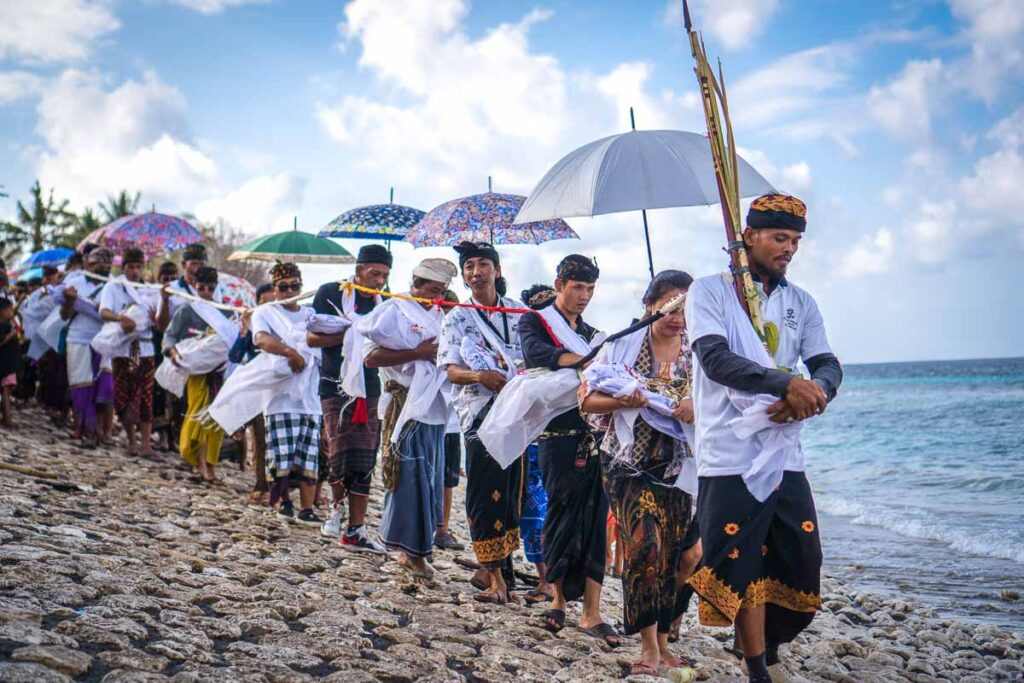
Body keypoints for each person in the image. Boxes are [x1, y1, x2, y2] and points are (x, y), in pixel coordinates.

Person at [684, 194, 843, 683]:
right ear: (748, 236)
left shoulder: (801, 302)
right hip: (728, 453)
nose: (789, 248)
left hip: (783, 452)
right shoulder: (709, 293)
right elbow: (716, 361)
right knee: (742, 565)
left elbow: (826, 364)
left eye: (795, 240)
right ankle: (758, 667)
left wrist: (815, 394)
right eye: (779, 237)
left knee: (800, 559)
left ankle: (767, 646)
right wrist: (783, 384)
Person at [581, 270, 698, 677]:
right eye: (668, 306)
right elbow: (587, 402)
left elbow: (725, 404)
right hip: (628, 465)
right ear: (650, 306)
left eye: (684, 307)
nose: (677, 315)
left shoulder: (698, 352)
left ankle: (665, 644)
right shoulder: (621, 348)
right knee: (645, 548)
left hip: (680, 468)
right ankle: (649, 650)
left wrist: (695, 407)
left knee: (676, 557)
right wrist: (621, 401)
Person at [517, 257, 618, 645]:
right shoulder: (537, 321)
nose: (584, 296)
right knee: (560, 512)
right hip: (557, 436)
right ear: (560, 284)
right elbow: (537, 355)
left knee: (596, 518)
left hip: (595, 434)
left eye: (590, 289)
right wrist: (587, 363)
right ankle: (557, 601)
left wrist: (593, 363)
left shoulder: (593, 333)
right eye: (578, 287)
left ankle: (592, 612)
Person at [437, 241, 525, 604]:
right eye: (469, 266)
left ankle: (499, 571)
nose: (476, 272)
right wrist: (479, 376)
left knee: (511, 497)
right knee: (484, 495)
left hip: (517, 414)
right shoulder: (456, 316)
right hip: (479, 415)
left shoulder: (520, 315)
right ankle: (494, 579)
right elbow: (450, 370)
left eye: (483, 264)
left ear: (497, 270)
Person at [362, 258, 458, 577]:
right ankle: (410, 553)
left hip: (434, 408)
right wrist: (417, 353)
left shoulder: (440, 315)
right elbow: (371, 357)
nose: (436, 297)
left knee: (430, 483)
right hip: (406, 405)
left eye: (442, 291)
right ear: (415, 283)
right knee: (408, 481)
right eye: (432, 290)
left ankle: (415, 550)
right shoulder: (393, 310)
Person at [308, 244, 391, 551]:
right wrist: (354, 332)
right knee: (337, 451)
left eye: (384, 275)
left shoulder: (387, 302)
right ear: (359, 271)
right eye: (374, 273)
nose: (379, 281)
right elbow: (312, 336)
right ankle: (335, 508)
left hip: (369, 388)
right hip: (335, 385)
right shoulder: (331, 292)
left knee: (365, 458)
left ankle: (356, 528)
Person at [252, 262, 322, 525]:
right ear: (275, 288)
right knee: (281, 454)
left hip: (310, 396)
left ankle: (306, 508)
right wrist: (289, 352)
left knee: (309, 454)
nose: (290, 290)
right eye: (284, 287)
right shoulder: (266, 312)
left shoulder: (311, 312)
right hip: (280, 395)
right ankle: (284, 502)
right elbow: (260, 339)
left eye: (295, 286)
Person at [162, 265, 232, 483]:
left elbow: (232, 339)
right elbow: (170, 336)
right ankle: (200, 464)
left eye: (210, 288)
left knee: (217, 419)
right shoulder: (187, 310)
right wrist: (173, 351)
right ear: (195, 286)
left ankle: (211, 466)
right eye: (202, 288)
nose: (206, 293)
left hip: (218, 372)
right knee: (198, 414)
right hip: (196, 372)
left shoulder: (225, 311)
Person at [517, 284, 560, 606]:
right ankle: (546, 578)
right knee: (533, 513)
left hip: (563, 444)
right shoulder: (527, 355)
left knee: (557, 513)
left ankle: (557, 581)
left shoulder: (577, 342)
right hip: (532, 445)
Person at [99, 247, 158, 457]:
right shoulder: (114, 287)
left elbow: (159, 321)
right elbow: (104, 311)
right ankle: (131, 441)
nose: (134, 271)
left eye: (138, 267)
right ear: (123, 268)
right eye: (130, 267)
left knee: (146, 397)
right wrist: (120, 318)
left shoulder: (150, 290)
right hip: (122, 348)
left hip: (146, 346)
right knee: (124, 395)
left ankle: (146, 445)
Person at [60, 248, 114, 448]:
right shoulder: (75, 282)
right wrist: (69, 302)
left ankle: (98, 430)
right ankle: (84, 428)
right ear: (88, 265)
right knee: (81, 385)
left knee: (104, 387)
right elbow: (64, 316)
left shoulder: (114, 286)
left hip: (105, 339)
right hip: (78, 337)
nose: (104, 269)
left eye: (107, 266)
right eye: (99, 265)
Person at [230, 282, 274, 504]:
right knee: (259, 438)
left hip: (280, 389)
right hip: (257, 388)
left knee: (276, 439)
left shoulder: (285, 326)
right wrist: (244, 330)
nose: (268, 306)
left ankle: (280, 488)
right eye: (263, 302)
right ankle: (260, 483)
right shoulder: (255, 327)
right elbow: (235, 356)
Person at [434, 289, 466, 552]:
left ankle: (442, 528)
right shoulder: (431, 330)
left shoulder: (464, 334)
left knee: (448, 478)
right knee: (426, 474)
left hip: (453, 417)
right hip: (428, 414)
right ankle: (428, 526)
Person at [151, 261, 180, 451]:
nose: (169, 282)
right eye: (165, 279)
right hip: (159, 345)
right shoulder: (153, 295)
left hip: (179, 346)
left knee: (177, 394)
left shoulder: (184, 296)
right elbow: (160, 324)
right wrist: (165, 300)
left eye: (173, 278)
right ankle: (161, 436)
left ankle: (174, 438)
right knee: (159, 391)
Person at [0, 298, 18, 429]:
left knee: (6, 391)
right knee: (6, 392)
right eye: (9, 310)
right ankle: (8, 419)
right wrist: (11, 334)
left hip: (7, 363)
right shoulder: (4, 326)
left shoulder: (8, 324)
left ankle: (6, 417)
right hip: (6, 364)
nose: (12, 312)